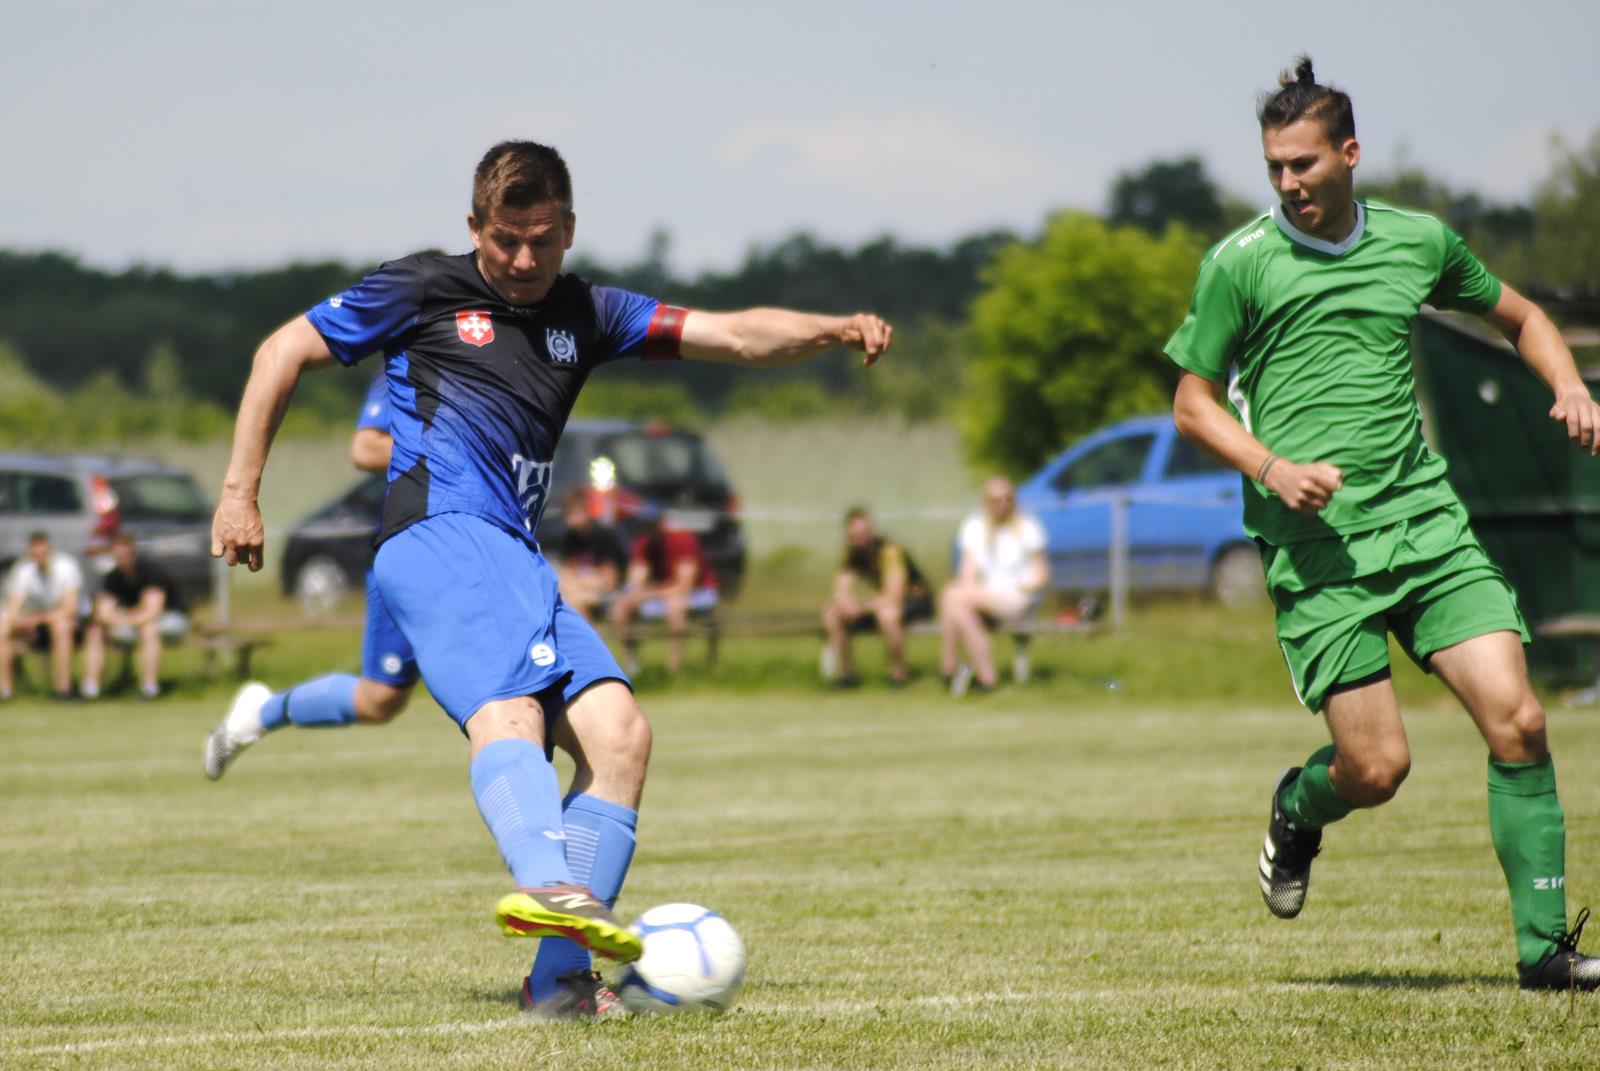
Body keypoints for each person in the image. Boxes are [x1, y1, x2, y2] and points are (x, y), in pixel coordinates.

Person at [207, 140, 892, 1018]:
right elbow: (279, 351)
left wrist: (831, 330)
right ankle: (551, 884)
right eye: (505, 240)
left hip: (516, 554)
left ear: (570, 227)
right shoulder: (421, 288)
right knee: (511, 714)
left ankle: (560, 986)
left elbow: (733, 333)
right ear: (473, 228)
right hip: (438, 535)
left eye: (542, 239)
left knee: (620, 737)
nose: (524, 260)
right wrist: (239, 494)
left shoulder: (590, 311)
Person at [1164, 57, 1600, 990]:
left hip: (1426, 526)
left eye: (1305, 164)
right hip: (1319, 555)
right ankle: (1297, 806)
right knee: (1378, 767)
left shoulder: (1417, 241)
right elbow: (1191, 404)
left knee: (1520, 720)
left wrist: (1566, 384)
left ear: (1350, 154)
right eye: (1275, 166)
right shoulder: (1239, 264)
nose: (1288, 183)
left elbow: (1521, 316)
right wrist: (1271, 467)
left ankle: (1545, 953)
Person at [203, 368, 418, 781]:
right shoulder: (420, 347)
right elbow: (367, 447)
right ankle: (261, 714)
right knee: (379, 698)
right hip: (414, 550)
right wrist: (456, 450)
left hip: (491, 549)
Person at [939, 476, 1049, 695]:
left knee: (952, 595)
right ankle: (987, 678)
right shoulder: (975, 527)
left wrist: (1029, 585)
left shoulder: (1027, 527)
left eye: (1008, 499)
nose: (1003, 504)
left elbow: (1041, 571)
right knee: (959, 609)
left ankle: (948, 663)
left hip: (1016, 596)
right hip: (985, 595)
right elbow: (967, 570)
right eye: (996, 500)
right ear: (986, 502)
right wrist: (968, 590)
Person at [821, 506, 931, 686]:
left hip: (915, 599)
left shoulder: (889, 551)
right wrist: (846, 603)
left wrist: (861, 606)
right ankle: (846, 676)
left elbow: (894, 595)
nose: (859, 540)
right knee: (832, 614)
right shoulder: (850, 554)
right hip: (880, 602)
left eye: (863, 534)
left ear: (871, 532)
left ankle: (899, 674)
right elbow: (841, 588)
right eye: (854, 536)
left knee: (887, 615)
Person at [608, 508, 718, 675]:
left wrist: (647, 593)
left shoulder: (682, 540)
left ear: (662, 523)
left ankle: (674, 669)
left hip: (700, 591)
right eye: (646, 526)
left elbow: (684, 586)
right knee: (620, 607)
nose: (649, 531)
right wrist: (633, 595)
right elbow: (636, 578)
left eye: (652, 525)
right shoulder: (643, 544)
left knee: (675, 606)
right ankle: (631, 666)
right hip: (661, 591)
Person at [82, 531, 188, 699]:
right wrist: (121, 619)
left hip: (170, 620)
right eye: (118, 556)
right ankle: (90, 689)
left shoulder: (151, 572)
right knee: (95, 630)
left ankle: (149, 688)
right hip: (132, 622)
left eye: (126, 554)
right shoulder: (113, 577)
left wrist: (122, 618)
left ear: (133, 552)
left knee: (149, 628)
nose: (123, 559)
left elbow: (152, 611)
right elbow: (102, 613)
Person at [0, 532, 85, 701]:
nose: (40, 557)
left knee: (62, 626)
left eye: (43, 553)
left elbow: (69, 608)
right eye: (35, 553)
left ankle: (63, 688)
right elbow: (14, 607)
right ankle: (5, 689)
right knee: (3, 627)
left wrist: (37, 619)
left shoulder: (66, 567)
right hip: (35, 623)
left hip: (64, 623)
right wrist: (18, 622)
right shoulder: (24, 571)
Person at [552, 489, 628, 622]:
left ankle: (590, 639)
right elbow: (566, 573)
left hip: (609, 592)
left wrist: (579, 581)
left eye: (574, 513)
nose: (570, 519)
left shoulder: (603, 535)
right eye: (567, 514)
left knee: (574, 600)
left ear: (586, 511)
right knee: (569, 597)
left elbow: (609, 579)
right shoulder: (569, 538)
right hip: (582, 589)